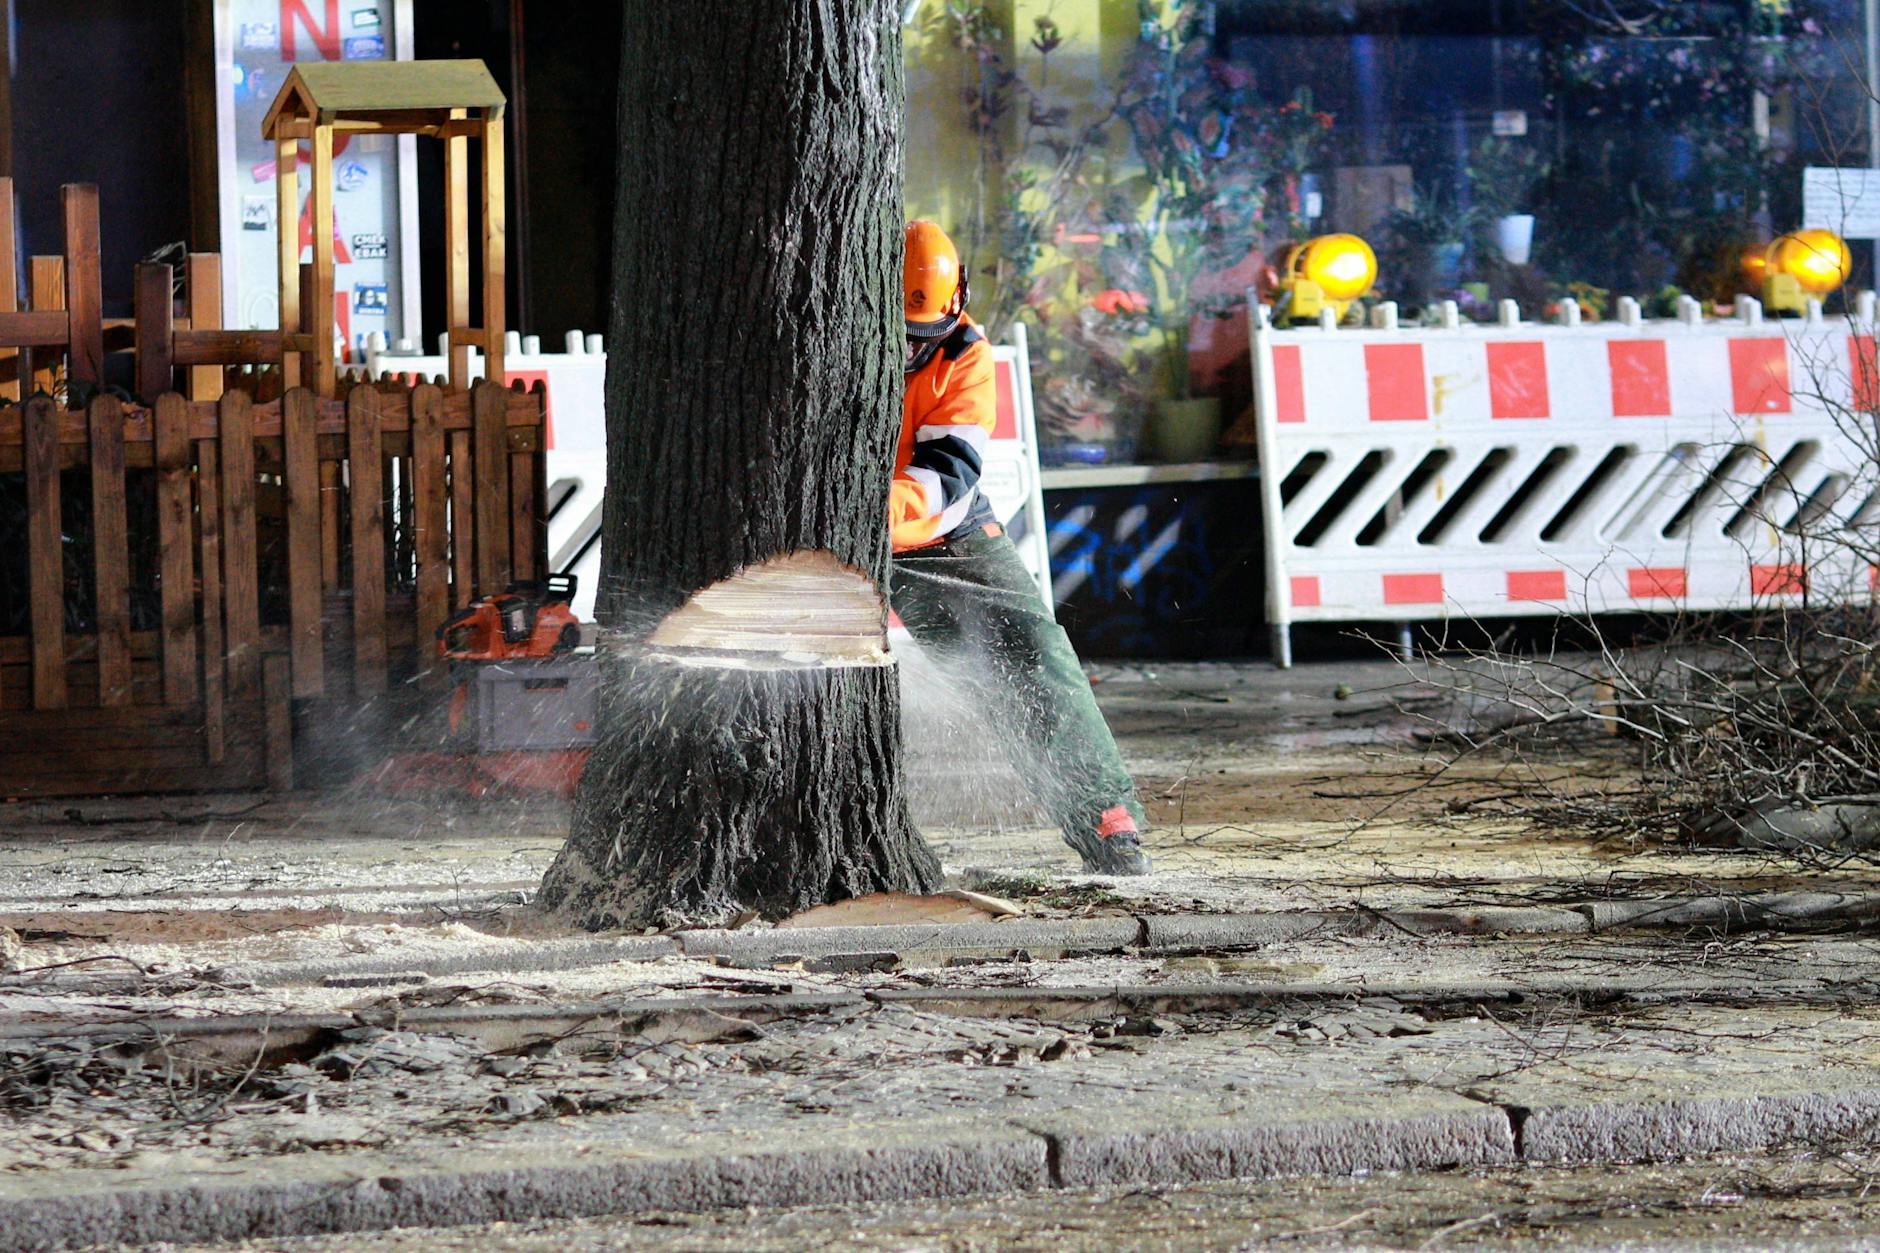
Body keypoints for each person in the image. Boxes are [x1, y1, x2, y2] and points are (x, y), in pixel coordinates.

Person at [888, 219, 1151, 876]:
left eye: (924, 339)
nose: (913, 352)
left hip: (935, 525)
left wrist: (865, 515)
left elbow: (946, 477)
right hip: (822, 528)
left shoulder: (964, 353)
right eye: (902, 339)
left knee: (1033, 653)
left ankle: (1102, 817)